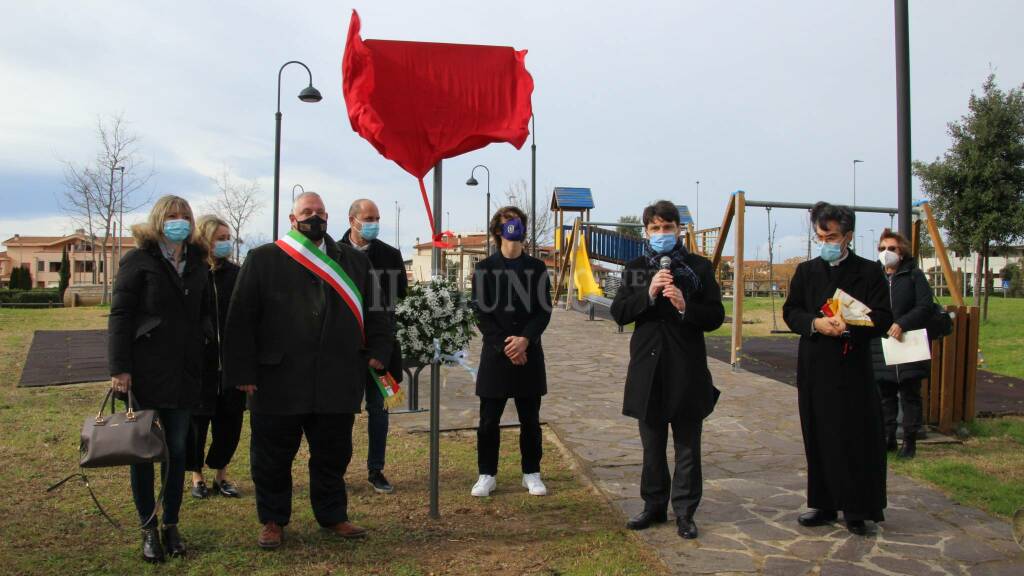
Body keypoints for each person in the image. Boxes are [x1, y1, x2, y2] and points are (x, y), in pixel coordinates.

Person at [224, 191, 392, 549]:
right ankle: (272, 520)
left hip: (336, 376)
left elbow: (378, 312)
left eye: (319, 212)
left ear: (328, 217)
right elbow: (240, 320)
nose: (313, 217)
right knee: (272, 456)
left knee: (333, 453)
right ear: (292, 219)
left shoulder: (352, 261)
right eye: (306, 212)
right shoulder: (264, 258)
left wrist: (379, 349)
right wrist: (243, 371)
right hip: (277, 379)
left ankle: (333, 516)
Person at [610, 200, 724, 540]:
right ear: (646, 231)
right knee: (652, 446)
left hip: (686, 370)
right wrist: (648, 293)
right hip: (648, 370)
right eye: (656, 228)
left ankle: (685, 513)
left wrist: (685, 305)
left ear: (679, 230)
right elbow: (619, 312)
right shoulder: (635, 268)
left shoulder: (699, 268)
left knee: (688, 447)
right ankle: (653, 506)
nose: (662, 234)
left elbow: (715, 316)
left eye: (668, 228)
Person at [108, 195, 210, 563]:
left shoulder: (198, 263)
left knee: (178, 451)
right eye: (172, 216)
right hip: (146, 373)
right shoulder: (139, 261)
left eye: (185, 215)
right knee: (143, 452)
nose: (179, 221)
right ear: (158, 220)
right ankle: (148, 527)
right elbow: (120, 315)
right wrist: (120, 368)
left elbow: (204, 314)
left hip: (184, 373)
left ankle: (172, 523)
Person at [783, 202, 893, 536]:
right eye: (820, 236)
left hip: (852, 366)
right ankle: (824, 502)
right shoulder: (807, 271)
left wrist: (850, 323)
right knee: (818, 433)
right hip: (816, 365)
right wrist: (816, 323)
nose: (826, 242)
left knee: (855, 436)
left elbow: (883, 318)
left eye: (831, 236)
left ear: (847, 236)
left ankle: (858, 507)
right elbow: (792, 312)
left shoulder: (869, 271)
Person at [470, 206, 552, 498]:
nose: (513, 228)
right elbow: (481, 312)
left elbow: (543, 311)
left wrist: (525, 341)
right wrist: (507, 345)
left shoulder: (538, 268)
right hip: (496, 356)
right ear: (497, 230)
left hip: (529, 355)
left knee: (530, 419)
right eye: (507, 223)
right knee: (488, 420)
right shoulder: (484, 269)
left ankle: (531, 472)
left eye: (517, 223)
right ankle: (487, 474)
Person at [340, 198, 408, 494]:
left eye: (377, 218)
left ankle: (376, 469)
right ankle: (336, 470)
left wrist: (381, 348)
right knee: (340, 412)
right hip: (343, 351)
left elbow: (397, 299)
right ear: (352, 219)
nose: (373, 223)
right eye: (368, 217)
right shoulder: (333, 253)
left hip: (381, 351)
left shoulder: (390, 255)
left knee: (379, 410)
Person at [186, 215, 245, 499]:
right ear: (204, 240)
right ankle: (196, 476)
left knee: (230, 424)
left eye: (227, 238)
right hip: (201, 365)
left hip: (232, 365)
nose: (225, 243)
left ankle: (221, 474)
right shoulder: (191, 272)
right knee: (197, 424)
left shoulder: (237, 274)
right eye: (219, 238)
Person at [870, 229, 933, 459]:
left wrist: (903, 323)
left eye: (892, 248)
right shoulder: (874, 277)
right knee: (884, 394)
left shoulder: (914, 276)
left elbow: (925, 306)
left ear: (902, 251)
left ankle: (910, 441)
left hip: (907, 343)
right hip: (881, 344)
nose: (886, 253)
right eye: (882, 248)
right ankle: (888, 438)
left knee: (909, 394)